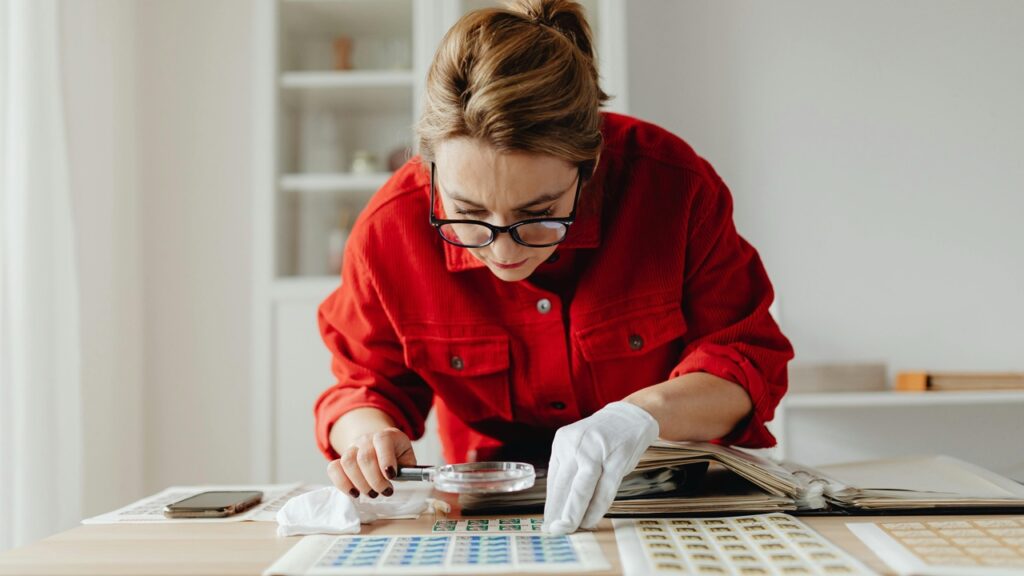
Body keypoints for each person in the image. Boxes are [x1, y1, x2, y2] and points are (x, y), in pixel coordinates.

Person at [314, 0, 793, 535]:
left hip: (662, 503)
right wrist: (367, 436)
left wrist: (641, 415)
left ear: (587, 165)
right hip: (486, 510)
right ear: (430, 164)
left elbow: (746, 361)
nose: (502, 250)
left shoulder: (673, 188)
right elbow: (364, 384)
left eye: (537, 214)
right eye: (468, 213)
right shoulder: (388, 229)